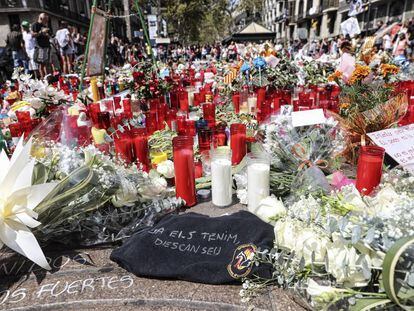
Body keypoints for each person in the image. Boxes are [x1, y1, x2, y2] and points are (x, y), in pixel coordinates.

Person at [32, 13, 51, 79]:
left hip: (46, 46)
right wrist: (41, 32)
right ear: (41, 18)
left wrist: (48, 35)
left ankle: (47, 78)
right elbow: (33, 35)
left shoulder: (44, 25)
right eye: (46, 20)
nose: (46, 21)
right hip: (40, 47)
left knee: (46, 63)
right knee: (41, 64)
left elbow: (49, 36)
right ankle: (43, 78)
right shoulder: (35, 25)